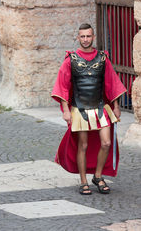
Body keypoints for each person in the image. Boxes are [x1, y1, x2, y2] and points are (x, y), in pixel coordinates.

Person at [51, 23, 126, 195]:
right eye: (82, 36)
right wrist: (65, 110)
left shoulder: (102, 58)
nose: (85, 39)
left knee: (106, 143)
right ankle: (83, 181)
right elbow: (62, 85)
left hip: (100, 107)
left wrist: (116, 106)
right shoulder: (70, 60)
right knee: (83, 145)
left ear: (93, 37)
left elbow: (111, 83)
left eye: (88, 36)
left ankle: (98, 176)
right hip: (80, 109)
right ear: (78, 38)